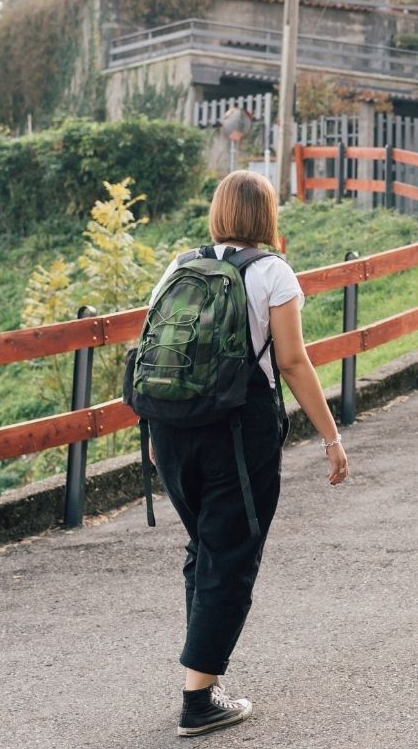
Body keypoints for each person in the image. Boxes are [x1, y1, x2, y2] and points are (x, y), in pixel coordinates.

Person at [142, 171, 349, 737]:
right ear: (267, 216)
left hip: (173, 427)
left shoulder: (179, 265)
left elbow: (157, 351)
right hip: (237, 430)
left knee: (206, 548)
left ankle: (199, 677)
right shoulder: (272, 272)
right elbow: (292, 362)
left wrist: (158, 432)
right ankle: (199, 699)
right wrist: (331, 436)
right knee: (230, 555)